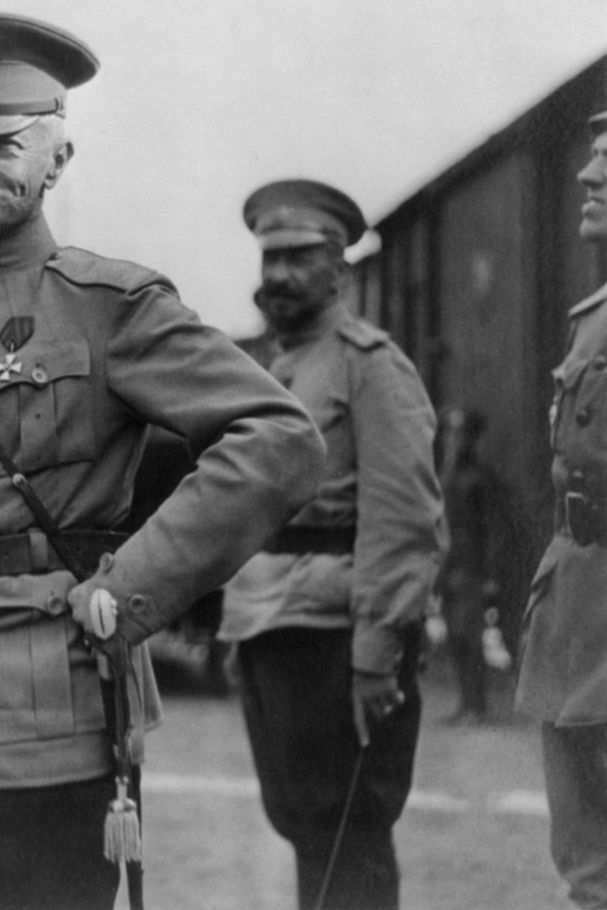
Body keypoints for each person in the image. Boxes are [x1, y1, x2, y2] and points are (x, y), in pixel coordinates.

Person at [0, 11, 326, 910]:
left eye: (5, 145)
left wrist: (128, 586)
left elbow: (280, 438)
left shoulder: (110, 305)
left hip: (42, 711)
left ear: (57, 160)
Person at [218, 180, 446, 910]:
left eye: (299, 257)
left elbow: (404, 521)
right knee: (306, 826)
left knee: (349, 832)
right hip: (271, 623)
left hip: (338, 633)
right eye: (270, 257)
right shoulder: (273, 367)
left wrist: (378, 651)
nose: (279, 274)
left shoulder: (370, 365)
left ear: (339, 269)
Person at [516, 108, 607, 909]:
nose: (588, 175)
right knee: (584, 860)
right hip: (580, 603)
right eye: (593, 157)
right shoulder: (592, 320)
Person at [435, 406, 502, 725]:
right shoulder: (446, 476)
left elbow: (492, 529)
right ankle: (465, 701)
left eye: (460, 434)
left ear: (472, 439)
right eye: (450, 433)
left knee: (471, 636)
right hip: (449, 567)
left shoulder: (481, 478)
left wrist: (489, 574)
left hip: (472, 567)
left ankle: (478, 705)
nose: (453, 440)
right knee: (453, 636)